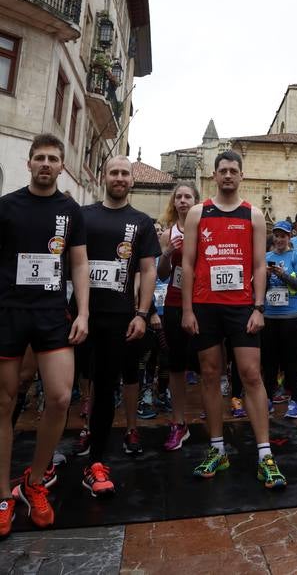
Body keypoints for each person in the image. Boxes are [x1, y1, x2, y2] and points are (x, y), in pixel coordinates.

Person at [0, 134, 89, 537]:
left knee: (58, 397)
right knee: (4, 403)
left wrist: (83, 312)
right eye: (40, 158)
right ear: (29, 163)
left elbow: (79, 265)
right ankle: (3, 494)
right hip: (9, 312)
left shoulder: (70, 210)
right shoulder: (7, 206)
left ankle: (34, 481)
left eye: (53, 158)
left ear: (62, 165)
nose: (46, 164)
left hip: (53, 313)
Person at [181, 151, 286, 489]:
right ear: (214, 175)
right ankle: (216, 449)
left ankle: (265, 454)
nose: (227, 175)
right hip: (204, 304)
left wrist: (259, 307)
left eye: (233, 171)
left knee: (251, 375)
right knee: (210, 375)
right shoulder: (198, 212)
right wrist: (186, 310)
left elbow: (259, 265)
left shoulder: (253, 215)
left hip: (242, 306)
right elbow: (187, 264)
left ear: (242, 175)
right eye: (222, 170)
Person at [79, 155, 160, 498]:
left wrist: (141, 313)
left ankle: (96, 461)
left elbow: (148, 271)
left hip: (118, 318)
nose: (119, 177)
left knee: (107, 385)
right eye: (113, 172)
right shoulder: (83, 216)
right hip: (79, 315)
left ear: (132, 180)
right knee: (71, 387)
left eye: (125, 173)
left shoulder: (141, 222)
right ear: (103, 176)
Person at [157, 181, 200, 450]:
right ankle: (178, 421)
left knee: (209, 365)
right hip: (173, 302)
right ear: (174, 202)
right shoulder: (167, 233)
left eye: (188, 197)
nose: (183, 201)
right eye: (179, 197)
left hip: (202, 302)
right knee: (176, 365)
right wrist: (167, 253)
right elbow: (161, 274)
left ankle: (213, 423)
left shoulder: (205, 229)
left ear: (196, 201)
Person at [263, 221, 297, 418]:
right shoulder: (266, 257)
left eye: (283, 236)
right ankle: (268, 398)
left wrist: (283, 276)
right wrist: (264, 277)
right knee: (270, 359)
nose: (279, 239)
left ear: (290, 237)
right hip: (270, 315)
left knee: (292, 359)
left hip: (292, 314)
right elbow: (260, 288)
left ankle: (296, 400)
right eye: (277, 235)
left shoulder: (296, 257)